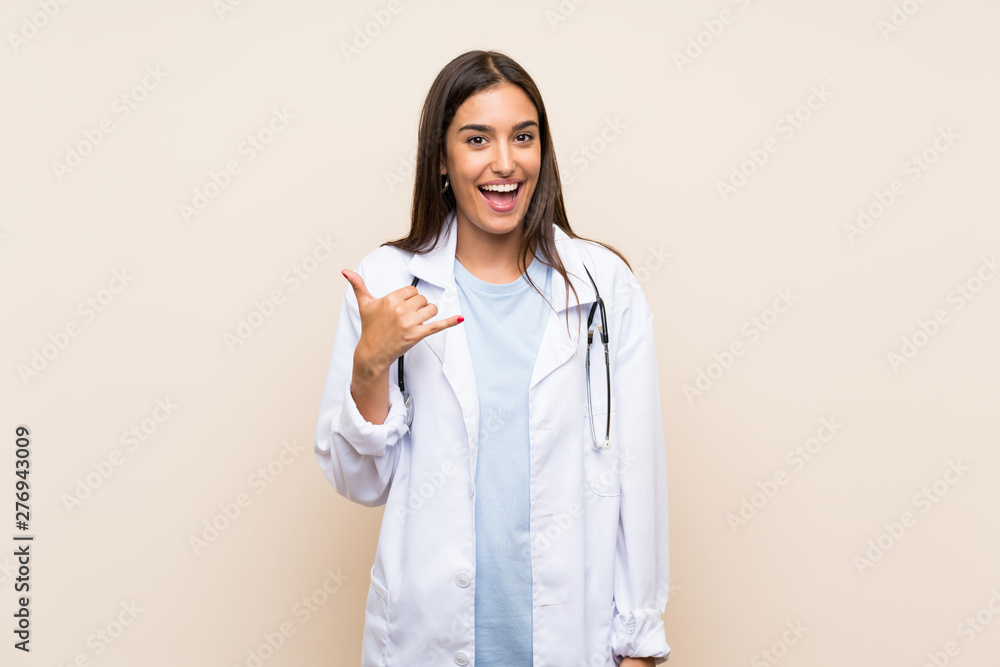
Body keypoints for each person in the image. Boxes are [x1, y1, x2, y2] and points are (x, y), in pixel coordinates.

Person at [314, 49, 670, 667]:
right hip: (428, 639)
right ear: (443, 159)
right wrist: (369, 367)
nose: (504, 163)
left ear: (543, 152)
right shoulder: (390, 283)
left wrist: (639, 639)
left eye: (522, 138)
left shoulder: (602, 288)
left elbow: (638, 470)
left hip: (570, 639)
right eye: (477, 138)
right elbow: (359, 482)